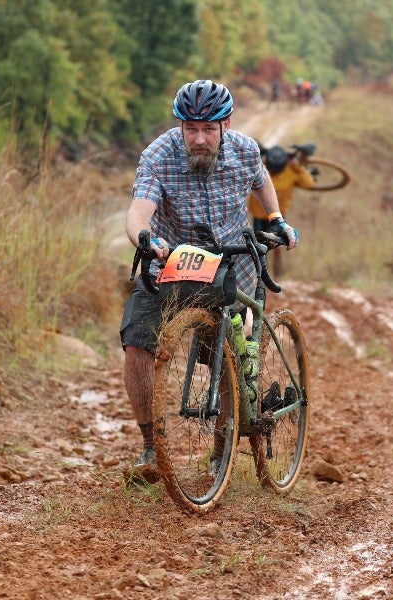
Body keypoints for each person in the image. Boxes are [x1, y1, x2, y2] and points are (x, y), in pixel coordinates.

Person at [119, 79, 299, 483]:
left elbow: (261, 178)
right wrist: (146, 237)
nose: (199, 139)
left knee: (231, 355)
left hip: (232, 262)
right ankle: (151, 448)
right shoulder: (159, 155)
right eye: (190, 129)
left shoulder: (245, 149)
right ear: (179, 126)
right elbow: (138, 211)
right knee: (136, 343)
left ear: (226, 124)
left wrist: (276, 219)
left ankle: (222, 450)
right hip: (171, 264)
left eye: (208, 129)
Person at [246, 143, 317, 276]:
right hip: (259, 214)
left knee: (279, 246)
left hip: (278, 215)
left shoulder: (291, 171)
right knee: (259, 246)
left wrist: (298, 166)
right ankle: (260, 275)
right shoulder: (261, 167)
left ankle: (278, 276)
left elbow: (310, 183)